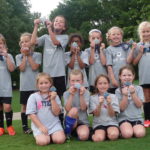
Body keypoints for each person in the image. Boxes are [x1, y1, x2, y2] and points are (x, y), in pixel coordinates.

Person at [31, 15, 68, 99]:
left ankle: (59, 112)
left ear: (64, 27)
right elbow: (32, 42)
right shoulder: (45, 37)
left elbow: (55, 42)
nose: (58, 22)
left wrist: (49, 28)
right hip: (47, 74)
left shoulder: (65, 37)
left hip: (59, 73)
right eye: (56, 21)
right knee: (46, 97)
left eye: (61, 21)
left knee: (58, 97)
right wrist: (36, 26)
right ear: (53, 23)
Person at [26, 73, 66, 146]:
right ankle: (45, 136)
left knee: (60, 140)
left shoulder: (55, 95)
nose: (44, 85)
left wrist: (53, 99)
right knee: (43, 142)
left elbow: (57, 113)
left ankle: (53, 135)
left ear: (50, 84)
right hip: (40, 125)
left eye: (46, 83)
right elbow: (31, 115)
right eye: (41, 83)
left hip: (54, 125)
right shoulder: (33, 97)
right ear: (37, 85)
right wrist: (41, 127)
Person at [16, 32, 42, 134]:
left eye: (26, 41)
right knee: (24, 106)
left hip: (36, 86)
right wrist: (24, 56)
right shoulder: (18, 56)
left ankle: (38, 125)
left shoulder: (37, 55)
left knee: (38, 106)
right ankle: (25, 127)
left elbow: (35, 67)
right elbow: (22, 68)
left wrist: (29, 56)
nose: (24, 43)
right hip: (24, 86)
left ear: (32, 43)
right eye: (22, 42)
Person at [115, 65, 146, 139]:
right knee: (127, 134)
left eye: (129, 75)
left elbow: (139, 105)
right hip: (124, 118)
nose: (127, 77)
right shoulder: (118, 90)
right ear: (120, 77)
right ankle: (122, 130)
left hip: (136, 118)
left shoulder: (138, 88)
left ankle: (133, 128)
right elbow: (121, 108)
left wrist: (133, 93)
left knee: (140, 134)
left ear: (133, 76)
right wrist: (125, 95)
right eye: (124, 75)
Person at [89, 74, 120, 142]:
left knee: (113, 136)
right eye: (100, 83)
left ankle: (107, 133)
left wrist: (109, 103)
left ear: (108, 85)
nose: (103, 86)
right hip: (99, 123)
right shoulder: (92, 98)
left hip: (112, 123)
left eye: (105, 83)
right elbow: (96, 114)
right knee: (98, 139)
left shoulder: (113, 96)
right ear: (96, 85)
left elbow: (112, 114)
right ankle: (95, 134)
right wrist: (100, 104)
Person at [106, 26, 135, 94]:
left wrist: (132, 49)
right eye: (113, 34)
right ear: (109, 36)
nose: (116, 36)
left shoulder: (126, 47)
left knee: (127, 98)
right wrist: (113, 80)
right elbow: (109, 66)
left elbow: (128, 61)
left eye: (118, 34)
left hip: (126, 79)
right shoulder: (109, 49)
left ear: (121, 36)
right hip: (115, 81)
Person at [63, 70, 90, 141]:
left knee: (84, 136)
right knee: (74, 110)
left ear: (82, 81)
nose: (75, 83)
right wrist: (71, 95)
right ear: (69, 81)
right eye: (73, 81)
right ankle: (68, 133)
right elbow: (67, 109)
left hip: (82, 121)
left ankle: (75, 132)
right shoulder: (66, 93)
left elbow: (84, 108)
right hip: (70, 120)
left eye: (78, 80)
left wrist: (81, 95)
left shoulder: (86, 93)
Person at [133, 21, 150, 127]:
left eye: (148, 31)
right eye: (143, 32)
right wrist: (140, 52)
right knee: (147, 98)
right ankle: (147, 119)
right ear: (140, 33)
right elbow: (134, 62)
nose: (146, 34)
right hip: (144, 76)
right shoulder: (138, 46)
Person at [0, 33, 16, 136]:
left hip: (6, 88)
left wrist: (6, 57)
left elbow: (11, 69)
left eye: (0, 43)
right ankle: (1, 127)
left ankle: (9, 126)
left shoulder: (8, 56)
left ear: (4, 45)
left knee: (7, 107)